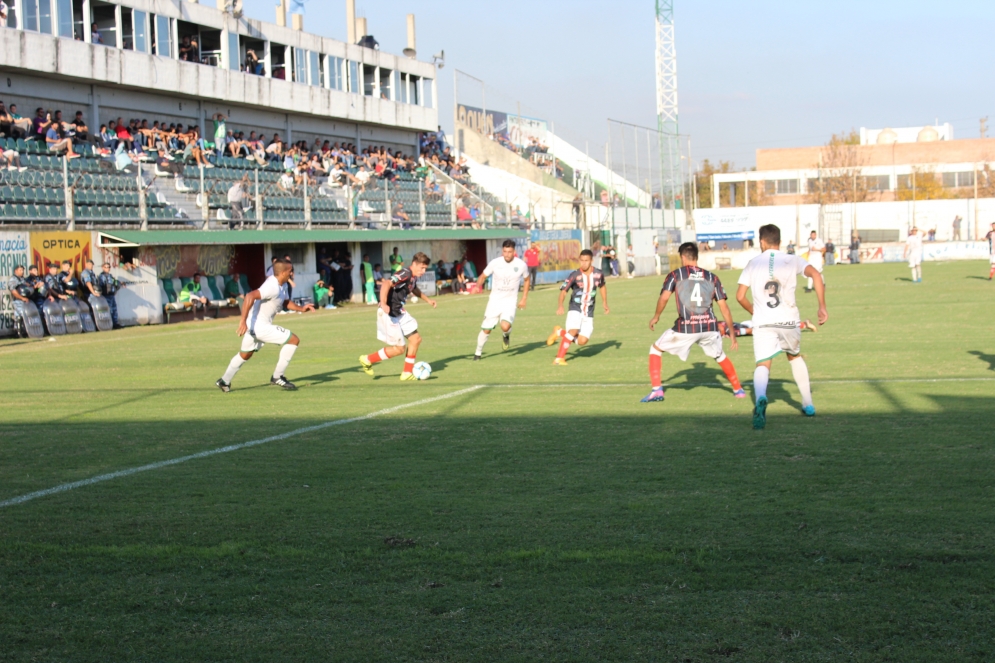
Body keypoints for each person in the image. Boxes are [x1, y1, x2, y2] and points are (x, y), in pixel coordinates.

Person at [736, 224, 828, 430]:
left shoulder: (753, 263)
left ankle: (761, 397)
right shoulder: (792, 259)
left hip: (763, 322)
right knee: (794, 356)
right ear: (779, 241)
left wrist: (754, 312)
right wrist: (822, 307)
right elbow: (816, 275)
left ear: (762, 242)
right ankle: (808, 404)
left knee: (763, 363)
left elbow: (740, 296)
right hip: (788, 320)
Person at [642, 242, 745, 403]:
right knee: (719, 355)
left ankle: (656, 391)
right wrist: (731, 332)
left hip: (686, 327)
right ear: (696, 257)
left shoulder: (676, 275)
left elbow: (664, 298)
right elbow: (724, 307)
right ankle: (738, 390)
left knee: (655, 349)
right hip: (709, 326)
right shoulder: (712, 277)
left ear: (683, 257)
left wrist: (656, 316)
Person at [216, 259, 314, 392]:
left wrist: (301, 308)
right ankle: (277, 376)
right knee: (293, 340)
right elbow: (250, 296)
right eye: (290, 271)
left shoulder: (282, 284)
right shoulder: (272, 286)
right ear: (283, 272)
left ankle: (224, 381)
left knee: (245, 354)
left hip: (254, 326)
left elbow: (285, 302)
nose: (292, 273)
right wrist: (242, 321)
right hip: (259, 326)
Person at [358, 252, 438, 381]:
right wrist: (383, 303)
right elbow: (387, 283)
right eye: (422, 268)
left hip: (399, 312)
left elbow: (414, 288)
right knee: (400, 349)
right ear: (414, 264)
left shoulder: (413, 276)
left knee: (416, 339)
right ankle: (367, 359)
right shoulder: (405, 273)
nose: (423, 271)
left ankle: (406, 373)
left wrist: (428, 300)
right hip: (389, 313)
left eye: (425, 268)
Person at [546, 249, 609, 366]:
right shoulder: (574, 275)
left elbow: (602, 286)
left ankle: (559, 332)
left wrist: (605, 302)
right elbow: (563, 291)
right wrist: (560, 305)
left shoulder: (598, 274)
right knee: (573, 330)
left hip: (589, 311)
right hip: (575, 308)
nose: (583, 263)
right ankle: (559, 358)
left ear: (591, 261)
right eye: (582, 260)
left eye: (586, 260)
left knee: (582, 341)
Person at [473, 240, 530, 360]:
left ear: (514, 252)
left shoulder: (521, 265)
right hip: (494, 301)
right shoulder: (495, 263)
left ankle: (506, 335)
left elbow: (527, 280)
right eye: (505, 251)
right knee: (486, 329)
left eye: (509, 252)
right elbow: (483, 276)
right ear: (502, 251)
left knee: (505, 326)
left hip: (510, 301)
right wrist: (477, 286)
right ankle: (477, 353)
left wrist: (524, 298)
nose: (507, 254)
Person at [7, 265, 33, 337]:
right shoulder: (13, 279)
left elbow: (27, 287)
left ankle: (18, 332)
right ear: (16, 271)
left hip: (25, 300)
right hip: (18, 300)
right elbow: (13, 291)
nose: (22, 272)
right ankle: (19, 333)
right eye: (20, 270)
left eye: (23, 270)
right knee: (23, 314)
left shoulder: (22, 279)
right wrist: (22, 298)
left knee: (18, 316)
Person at [96, 263, 123, 328]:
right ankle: (110, 324)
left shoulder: (110, 276)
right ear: (103, 268)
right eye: (106, 267)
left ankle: (115, 323)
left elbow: (114, 284)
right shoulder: (101, 276)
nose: (108, 269)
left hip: (112, 295)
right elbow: (100, 286)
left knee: (114, 309)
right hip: (106, 295)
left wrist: (116, 289)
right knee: (109, 310)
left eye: (109, 267)